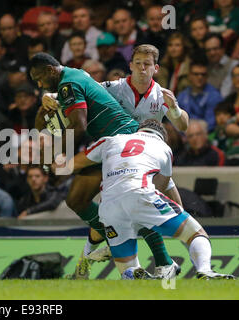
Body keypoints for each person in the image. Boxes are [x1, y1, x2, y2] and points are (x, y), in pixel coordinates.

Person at [30, 52, 177, 279]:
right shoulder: (72, 75)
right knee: (77, 199)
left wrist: (60, 156)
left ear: (51, 70)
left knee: (134, 205)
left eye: (40, 78)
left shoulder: (68, 84)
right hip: (111, 144)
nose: (39, 84)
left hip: (122, 142)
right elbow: (60, 120)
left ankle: (163, 263)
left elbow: (78, 126)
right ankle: (123, 245)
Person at [64, 119, 234, 280]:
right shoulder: (164, 148)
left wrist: (51, 160)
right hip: (140, 193)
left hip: (108, 206)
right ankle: (205, 271)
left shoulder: (111, 139)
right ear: (161, 136)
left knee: (127, 268)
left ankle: (133, 273)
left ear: (139, 130)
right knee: (196, 233)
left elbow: (73, 164)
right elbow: (161, 187)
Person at [73, 44, 189, 278]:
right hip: (117, 161)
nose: (142, 68)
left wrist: (175, 109)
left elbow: (184, 126)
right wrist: (55, 96)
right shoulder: (114, 88)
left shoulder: (162, 95)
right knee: (116, 213)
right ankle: (162, 265)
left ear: (155, 68)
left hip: (150, 163)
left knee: (178, 210)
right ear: (130, 65)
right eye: (138, 63)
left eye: (147, 64)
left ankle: (191, 264)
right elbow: (84, 89)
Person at [177, 61, 224, 132]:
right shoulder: (182, 95)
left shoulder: (214, 96)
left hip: (204, 135)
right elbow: (175, 119)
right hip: (182, 134)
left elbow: (210, 125)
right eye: (196, 74)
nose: (200, 77)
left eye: (203, 74)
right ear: (189, 76)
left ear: (207, 76)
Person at [204, 33, 239, 98]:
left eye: (215, 49)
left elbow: (225, 94)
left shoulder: (234, 66)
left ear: (223, 48)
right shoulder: (206, 67)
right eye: (208, 50)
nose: (212, 53)